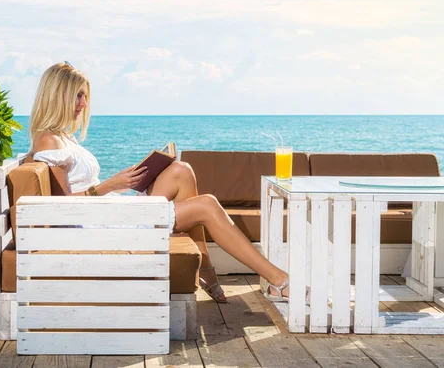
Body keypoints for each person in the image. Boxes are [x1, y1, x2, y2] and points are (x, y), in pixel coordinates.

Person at [28, 61, 290, 303]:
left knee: (181, 170)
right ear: (57, 96)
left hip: (106, 211)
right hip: (99, 225)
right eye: (77, 95)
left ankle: (206, 268)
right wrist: (110, 185)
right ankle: (278, 280)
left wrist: (126, 181)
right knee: (207, 205)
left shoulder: (63, 138)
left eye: (84, 96)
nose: (83, 103)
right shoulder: (49, 141)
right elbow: (58, 207)